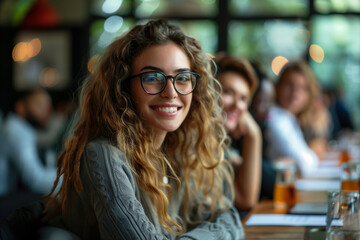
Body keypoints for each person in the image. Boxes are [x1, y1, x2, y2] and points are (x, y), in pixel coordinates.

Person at [41, 19, 243, 239]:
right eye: (152, 77)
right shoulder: (103, 155)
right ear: (124, 88)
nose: (171, 92)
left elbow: (230, 218)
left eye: (182, 78)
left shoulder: (177, 153)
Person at [0, 89, 58, 219]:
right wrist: (72, 177)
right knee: (46, 203)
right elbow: (35, 180)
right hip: (2, 197)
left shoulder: (17, 127)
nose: (46, 110)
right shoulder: (16, 130)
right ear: (20, 107)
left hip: (6, 194)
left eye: (48, 106)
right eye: (39, 105)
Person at [215, 54, 262, 212]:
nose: (237, 105)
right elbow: (245, 200)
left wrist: (254, 134)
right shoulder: (193, 141)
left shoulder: (220, 144)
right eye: (228, 92)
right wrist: (254, 137)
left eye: (243, 98)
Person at [264, 60, 320, 178]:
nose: (295, 93)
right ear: (277, 87)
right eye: (289, 85)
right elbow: (305, 165)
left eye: (303, 88)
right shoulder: (275, 118)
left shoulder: (289, 118)